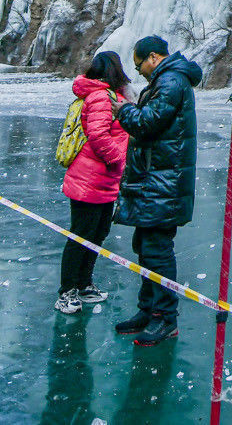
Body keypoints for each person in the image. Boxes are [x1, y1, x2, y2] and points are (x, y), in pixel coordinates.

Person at [110, 35, 202, 346]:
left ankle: (165, 318)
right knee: (146, 246)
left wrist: (122, 110)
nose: (140, 73)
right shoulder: (168, 80)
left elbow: (147, 123)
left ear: (152, 57)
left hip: (164, 183)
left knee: (158, 251)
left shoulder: (171, 82)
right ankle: (148, 310)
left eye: (139, 67)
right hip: (157, 181)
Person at [56, 50, 132, 315]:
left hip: (104, 180)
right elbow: (98, 135)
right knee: (81, 235)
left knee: (97, 233)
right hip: (89, 179)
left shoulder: (112, 97)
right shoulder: (101, 97)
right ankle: (67, 291)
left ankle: (84, 284)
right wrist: (117, 161)